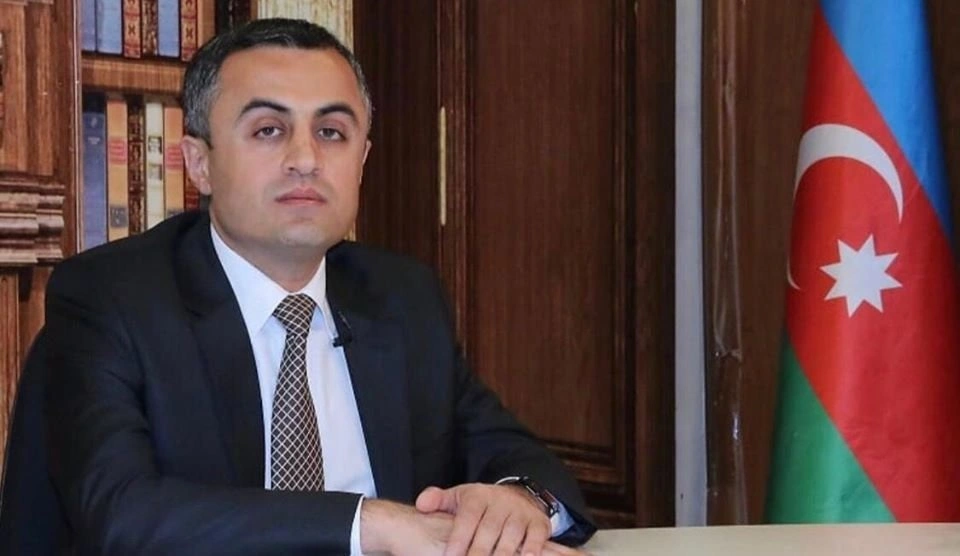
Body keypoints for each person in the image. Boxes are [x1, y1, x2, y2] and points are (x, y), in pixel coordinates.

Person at [41, 18, 596, 555]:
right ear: (199, 163)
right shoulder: (112, 298)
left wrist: (517, 502)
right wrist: (370, 523)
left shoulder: (402, 297)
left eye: (331, 133)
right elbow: (120, 515)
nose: (306, 160)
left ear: (362, 161)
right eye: (268, 130)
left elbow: (516, 455)